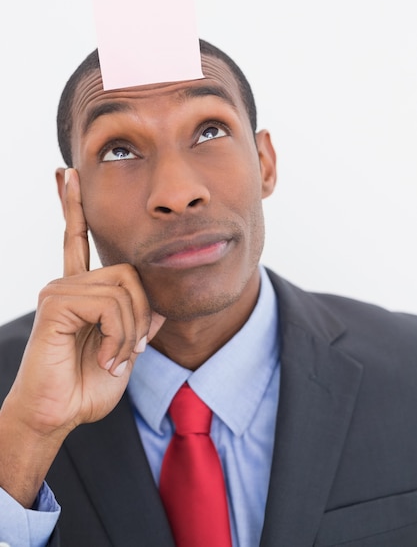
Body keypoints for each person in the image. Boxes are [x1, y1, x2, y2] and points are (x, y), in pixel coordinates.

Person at [0, 38, 416, 547]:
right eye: (119, 150)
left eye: (209, 130)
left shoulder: (410, 363)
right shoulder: (14, 410)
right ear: (73, 197)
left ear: (264, 162)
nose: (176, 193)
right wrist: (24, 443)